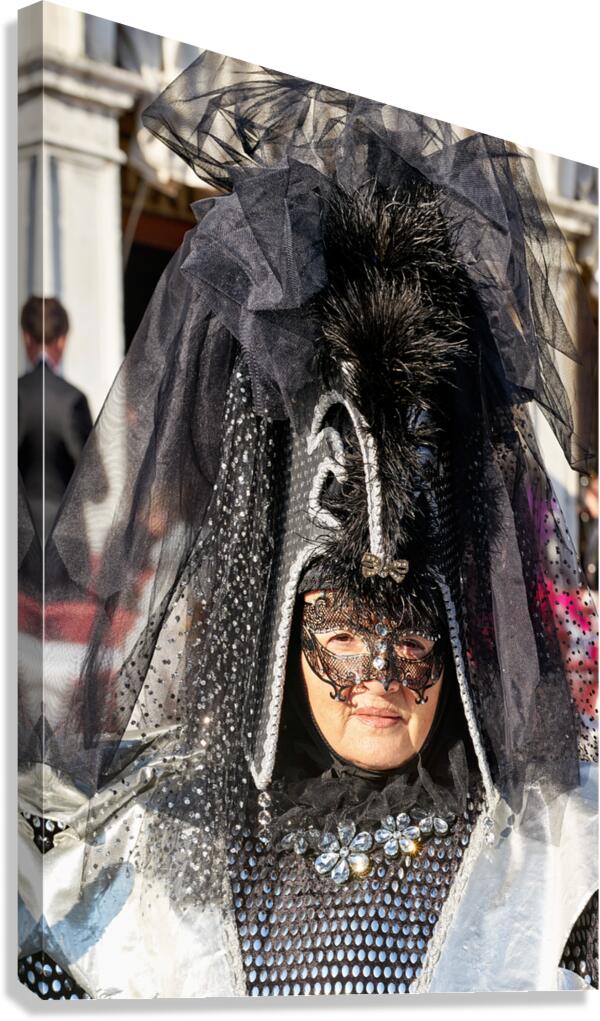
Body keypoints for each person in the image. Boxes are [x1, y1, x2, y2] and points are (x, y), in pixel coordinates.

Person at [17, 52, 597, 999]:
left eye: (411, 637)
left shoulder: (559, 858)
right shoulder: (159, 868)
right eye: (339, 633)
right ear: (282, 629)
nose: (378, 678)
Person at [18, 296, 93, 543]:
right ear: (61, 341)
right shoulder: (73, 400)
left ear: (26, 338)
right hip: (63, 540)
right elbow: (95, 484)